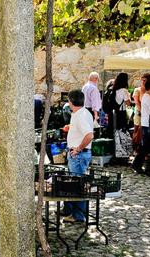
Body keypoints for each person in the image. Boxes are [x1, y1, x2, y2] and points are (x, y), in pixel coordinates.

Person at [63, 89, 93, 223]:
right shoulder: (82, 112)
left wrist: (78, 149)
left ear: (71, 101)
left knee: (78, 186)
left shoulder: (80, 116)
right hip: (79, 155)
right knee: (77, 184)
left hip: (78, 155)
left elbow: (89, 135)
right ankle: (74, 212)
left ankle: (78, 216)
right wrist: (71, 127)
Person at [132, 76, 150, 173]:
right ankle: (137, 164)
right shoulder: (148, 97)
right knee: (146, 147)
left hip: (146, 123)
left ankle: (137, 164)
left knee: (146, 147)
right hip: (147, 124)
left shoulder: (146, 97)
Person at [132, 74, 150, 155]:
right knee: (136, 130)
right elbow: (136, 102)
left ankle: (144, 150)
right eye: (142, 80)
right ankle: (135, 148)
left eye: (145, 80)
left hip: (147, 113)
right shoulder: (138, 90)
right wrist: (142, 111)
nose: (143, 82)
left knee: (145, 132)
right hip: (139, 113)